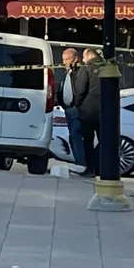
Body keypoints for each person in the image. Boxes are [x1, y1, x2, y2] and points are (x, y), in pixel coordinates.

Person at [75, 48, 103, 176]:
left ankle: (90, 168)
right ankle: (102, 168)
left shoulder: (86, 68)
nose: (83, 59)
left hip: (88, 111)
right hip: (105, 112)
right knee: (104, 141)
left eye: (84, 56)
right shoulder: (109, 67)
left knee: (88, 141)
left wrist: (77, 104)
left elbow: (80, 89)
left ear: (89, 56)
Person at [57, 48, 86, 169]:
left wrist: (77, 104)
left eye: (67, 59)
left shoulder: (80, 72)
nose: (64, 62)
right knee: (72, 136)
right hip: (68, 108)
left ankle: (81, 164)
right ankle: (78, 162)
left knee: (76, 135)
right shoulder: (67, 72)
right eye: (63, 60)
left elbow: (79, 90)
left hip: (76, 108)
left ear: (75, 59)